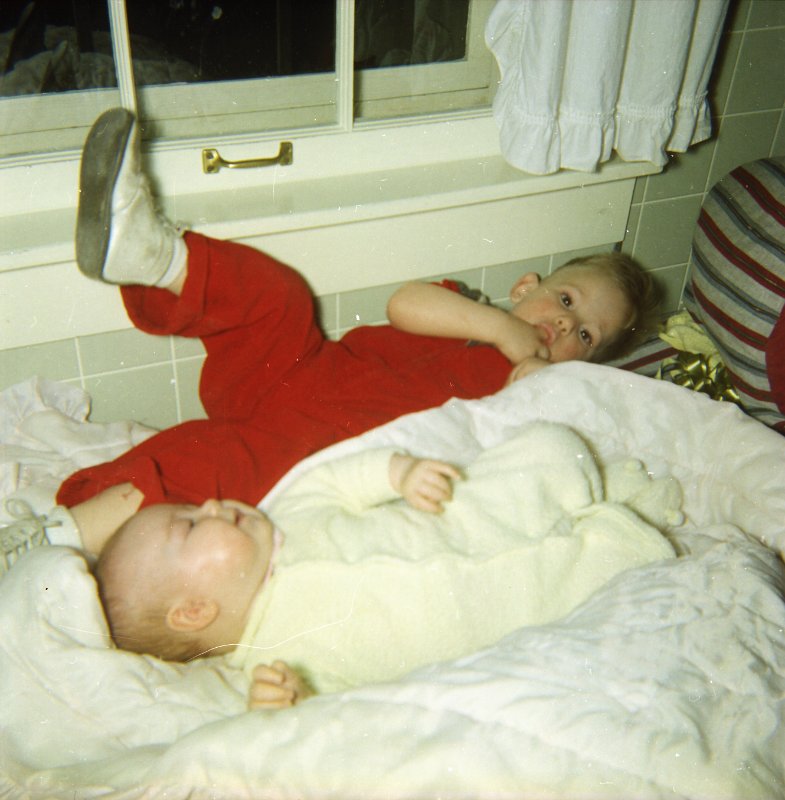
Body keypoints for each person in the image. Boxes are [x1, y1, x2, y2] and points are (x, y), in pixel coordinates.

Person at [37, 106, 659, 559]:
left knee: (208, 457)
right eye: (565, 300)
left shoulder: (529, 387)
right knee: (279, 297)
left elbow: (532, 445)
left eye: (584, 336)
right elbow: (403, 304)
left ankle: (61, 537)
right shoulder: (467, 309)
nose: (564, 324)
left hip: (320, 443)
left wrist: (540, 380)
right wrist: (498, 326)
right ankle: (154, 257)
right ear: (525, 287)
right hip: (298, 370)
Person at [93, 422, 678, 710]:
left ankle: (603, 490)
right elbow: (326, 720)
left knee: (547, 448)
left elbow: (335, 478)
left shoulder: (288, 515)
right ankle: (628, 521)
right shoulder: (270, 664)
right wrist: (282, 706)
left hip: (461, 518)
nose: (211, 504)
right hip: (495, 606)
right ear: (195, 611)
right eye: (191, 525)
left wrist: (399, 473)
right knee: (592, 572)